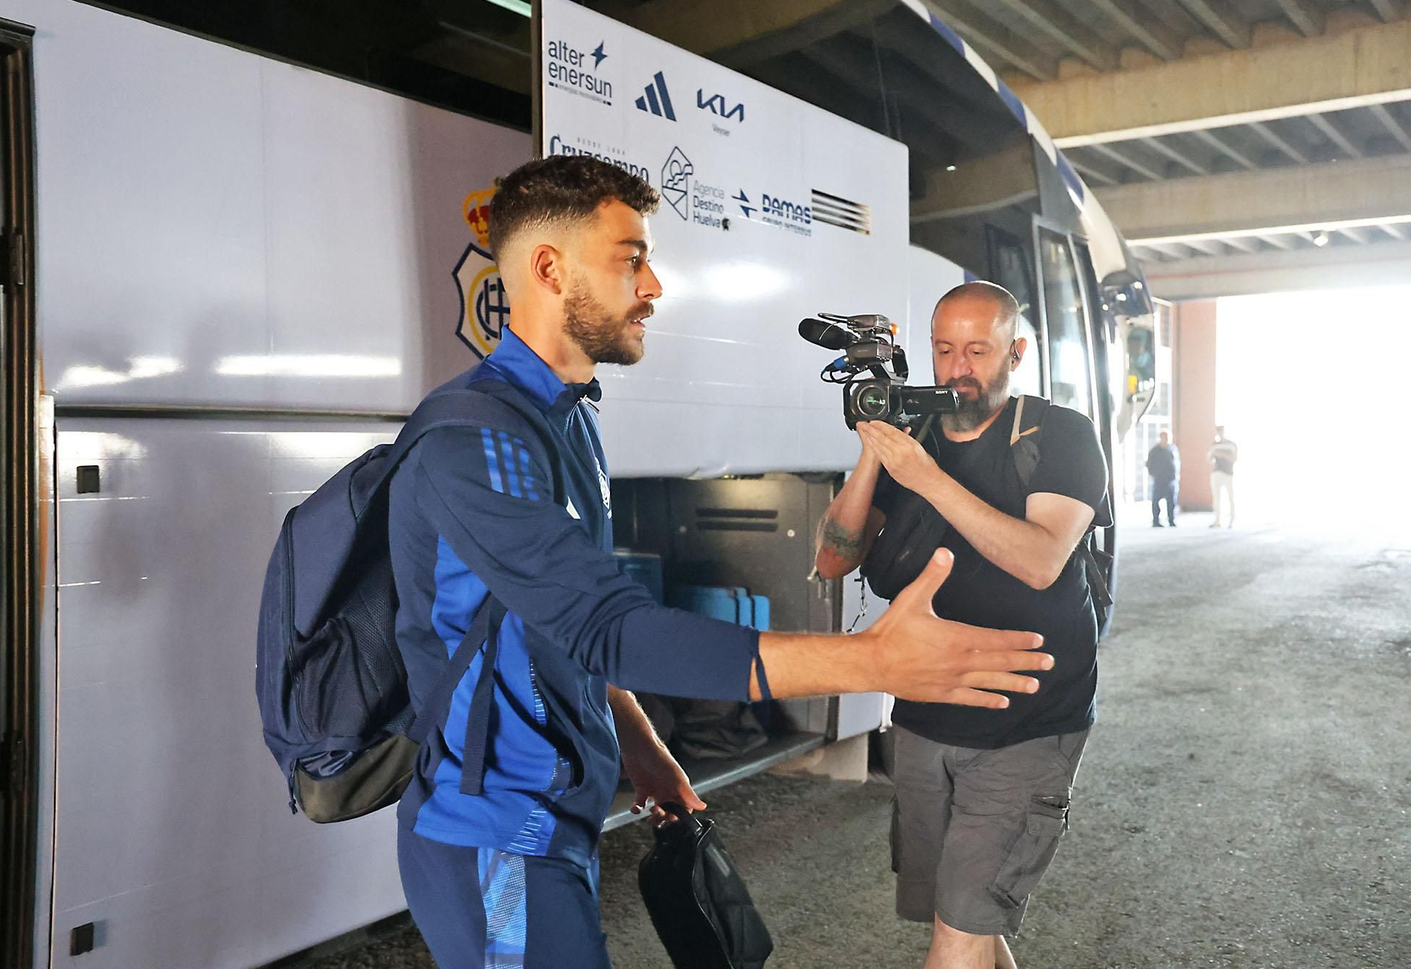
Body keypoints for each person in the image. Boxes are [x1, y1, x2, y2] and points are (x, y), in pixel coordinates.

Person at [387, 157, 1054, 969]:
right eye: (631, 257)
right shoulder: (472, 441)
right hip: (493, 829)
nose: (655, 283)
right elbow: (610, 627)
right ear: (549, 268)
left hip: (554, 811)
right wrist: (871, 658)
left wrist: (641, 746)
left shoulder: (566, 421)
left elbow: (557, 621)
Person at [814, 281, 1107, 969]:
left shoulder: (1059, 434)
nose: (958, 368)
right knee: (961, 921)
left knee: (957, 934)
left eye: (978, 349)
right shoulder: (911, 436)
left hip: (1028, 724)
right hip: (923, 723)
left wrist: (926, 476)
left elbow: (1040, 559)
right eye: (945, 350)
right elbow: (832, 558)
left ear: (1017, 352)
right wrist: (873, 447)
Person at [1145, 430, 1180, 527]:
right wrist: (1155, 474)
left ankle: (1171, 520)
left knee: (1172, 501)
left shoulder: (1173, 448)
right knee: (1156, 500)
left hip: (1171, 479)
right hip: (1159, 479)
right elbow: (1149, 464)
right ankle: (1156, 521)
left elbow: (1176, 463)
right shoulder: (1155, 450)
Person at [1208, 425, 1238, 528]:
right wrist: (1221, 454)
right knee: (1217, 497)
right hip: (1217, 472)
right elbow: (1210, 458)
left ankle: (1232, 520)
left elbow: (1233, 458)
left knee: (1231, 496)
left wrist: (1220, 454)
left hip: (1228, 473)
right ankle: (1217, 520)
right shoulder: (1214, 445)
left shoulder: (1232, 445)